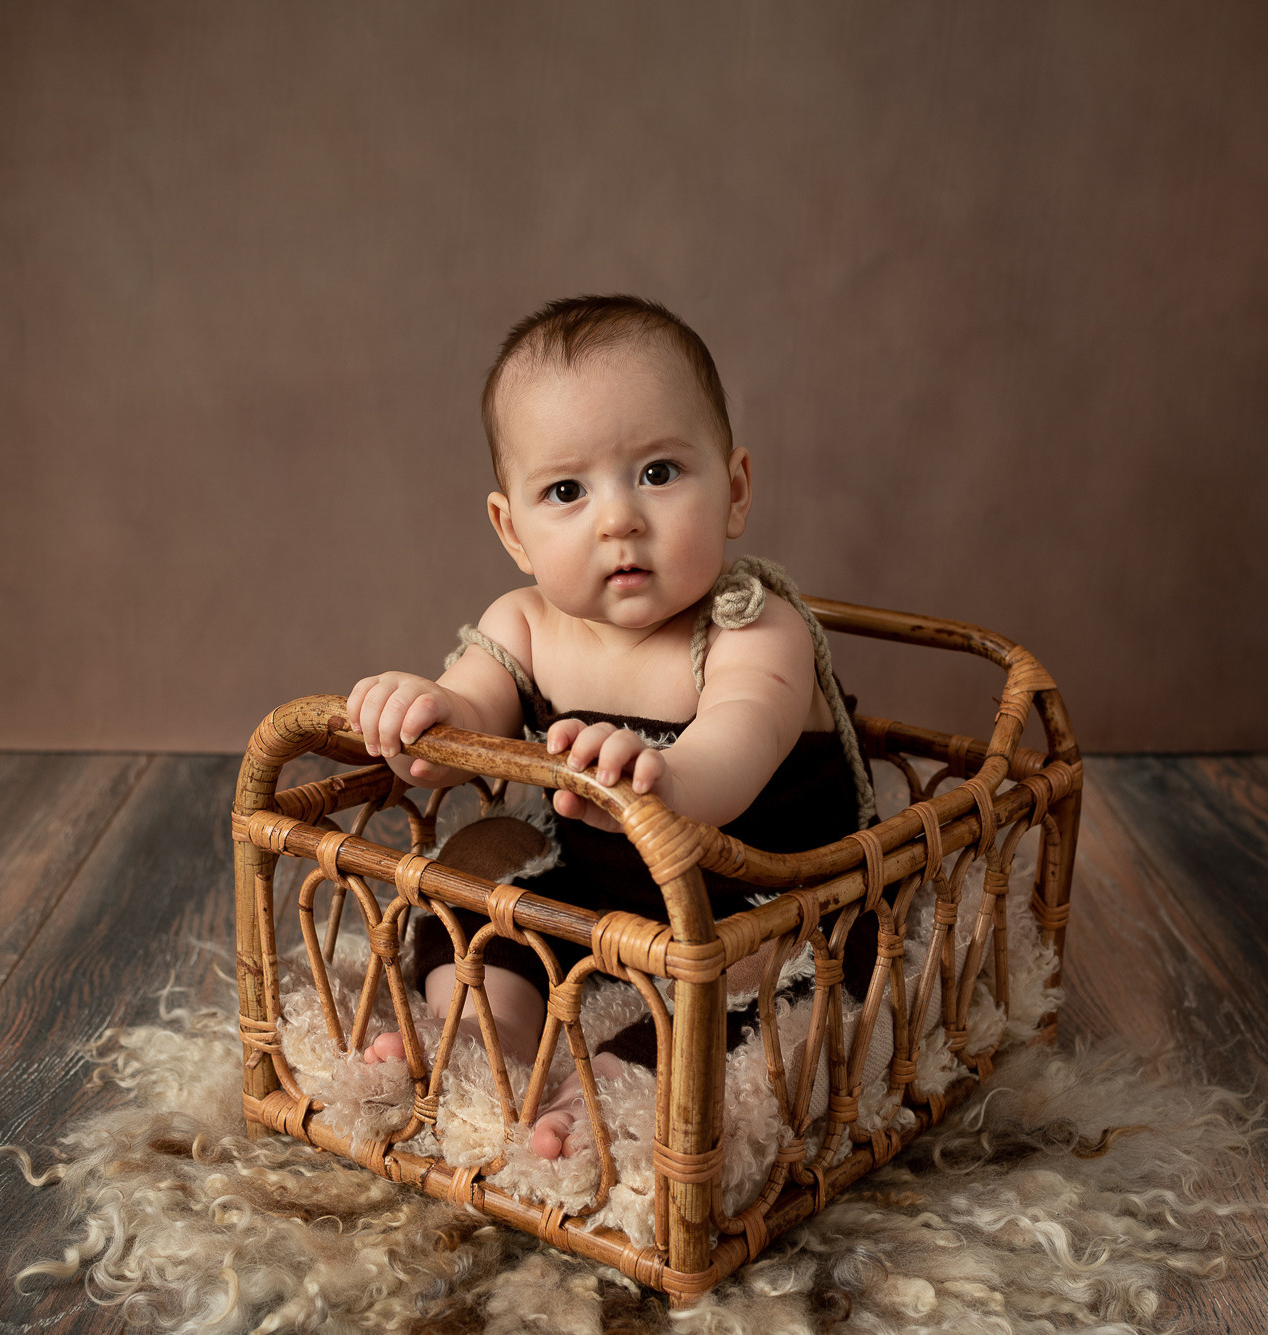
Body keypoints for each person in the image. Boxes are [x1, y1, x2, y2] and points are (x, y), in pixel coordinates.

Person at [347, 295, 873, 1159]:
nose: (619, 518)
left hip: (764, 897)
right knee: (475, 871)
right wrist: (425, 717)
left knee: (779, 986)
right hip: (603, 889)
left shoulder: (750, 623)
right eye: (566, 490)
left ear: (735, 489)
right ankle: (486, 1028)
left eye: (659, 473)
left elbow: (736, 742)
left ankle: (625, 1080)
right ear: (512, 529)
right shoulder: (524, 622)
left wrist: (664, 774)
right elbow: (472, 711)